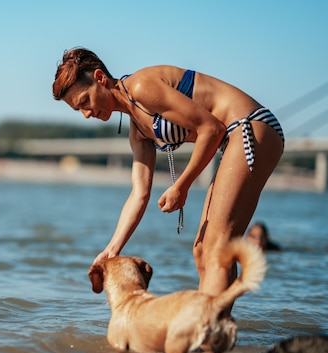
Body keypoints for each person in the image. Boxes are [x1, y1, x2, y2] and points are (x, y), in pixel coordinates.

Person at [52, 48, 284, 297]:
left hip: (250, 126)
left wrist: (182, 186)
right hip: (235, 137)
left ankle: (208, 331)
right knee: (201, 251)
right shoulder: (138, 131)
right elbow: (139, 194)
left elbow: (211, 129)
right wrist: (111, 249)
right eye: (79, 110)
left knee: (218, 248)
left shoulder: (141, 87)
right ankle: (213, 327)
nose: (87, 114)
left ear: (99, 78)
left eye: (85, 101)